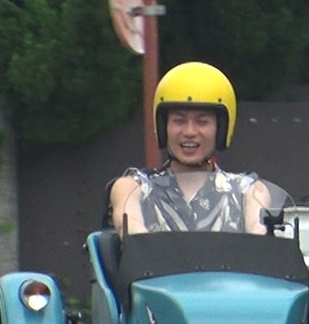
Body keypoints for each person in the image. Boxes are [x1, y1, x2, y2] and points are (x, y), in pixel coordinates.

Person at [108, 61, 282, 236]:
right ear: (163, 127)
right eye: (179, 120)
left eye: (202, 121)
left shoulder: (248, 190)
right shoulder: (132, 187)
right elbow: (130, 228)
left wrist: (259, 233)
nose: (189, 131)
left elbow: (259, 234)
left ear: (220, 129)